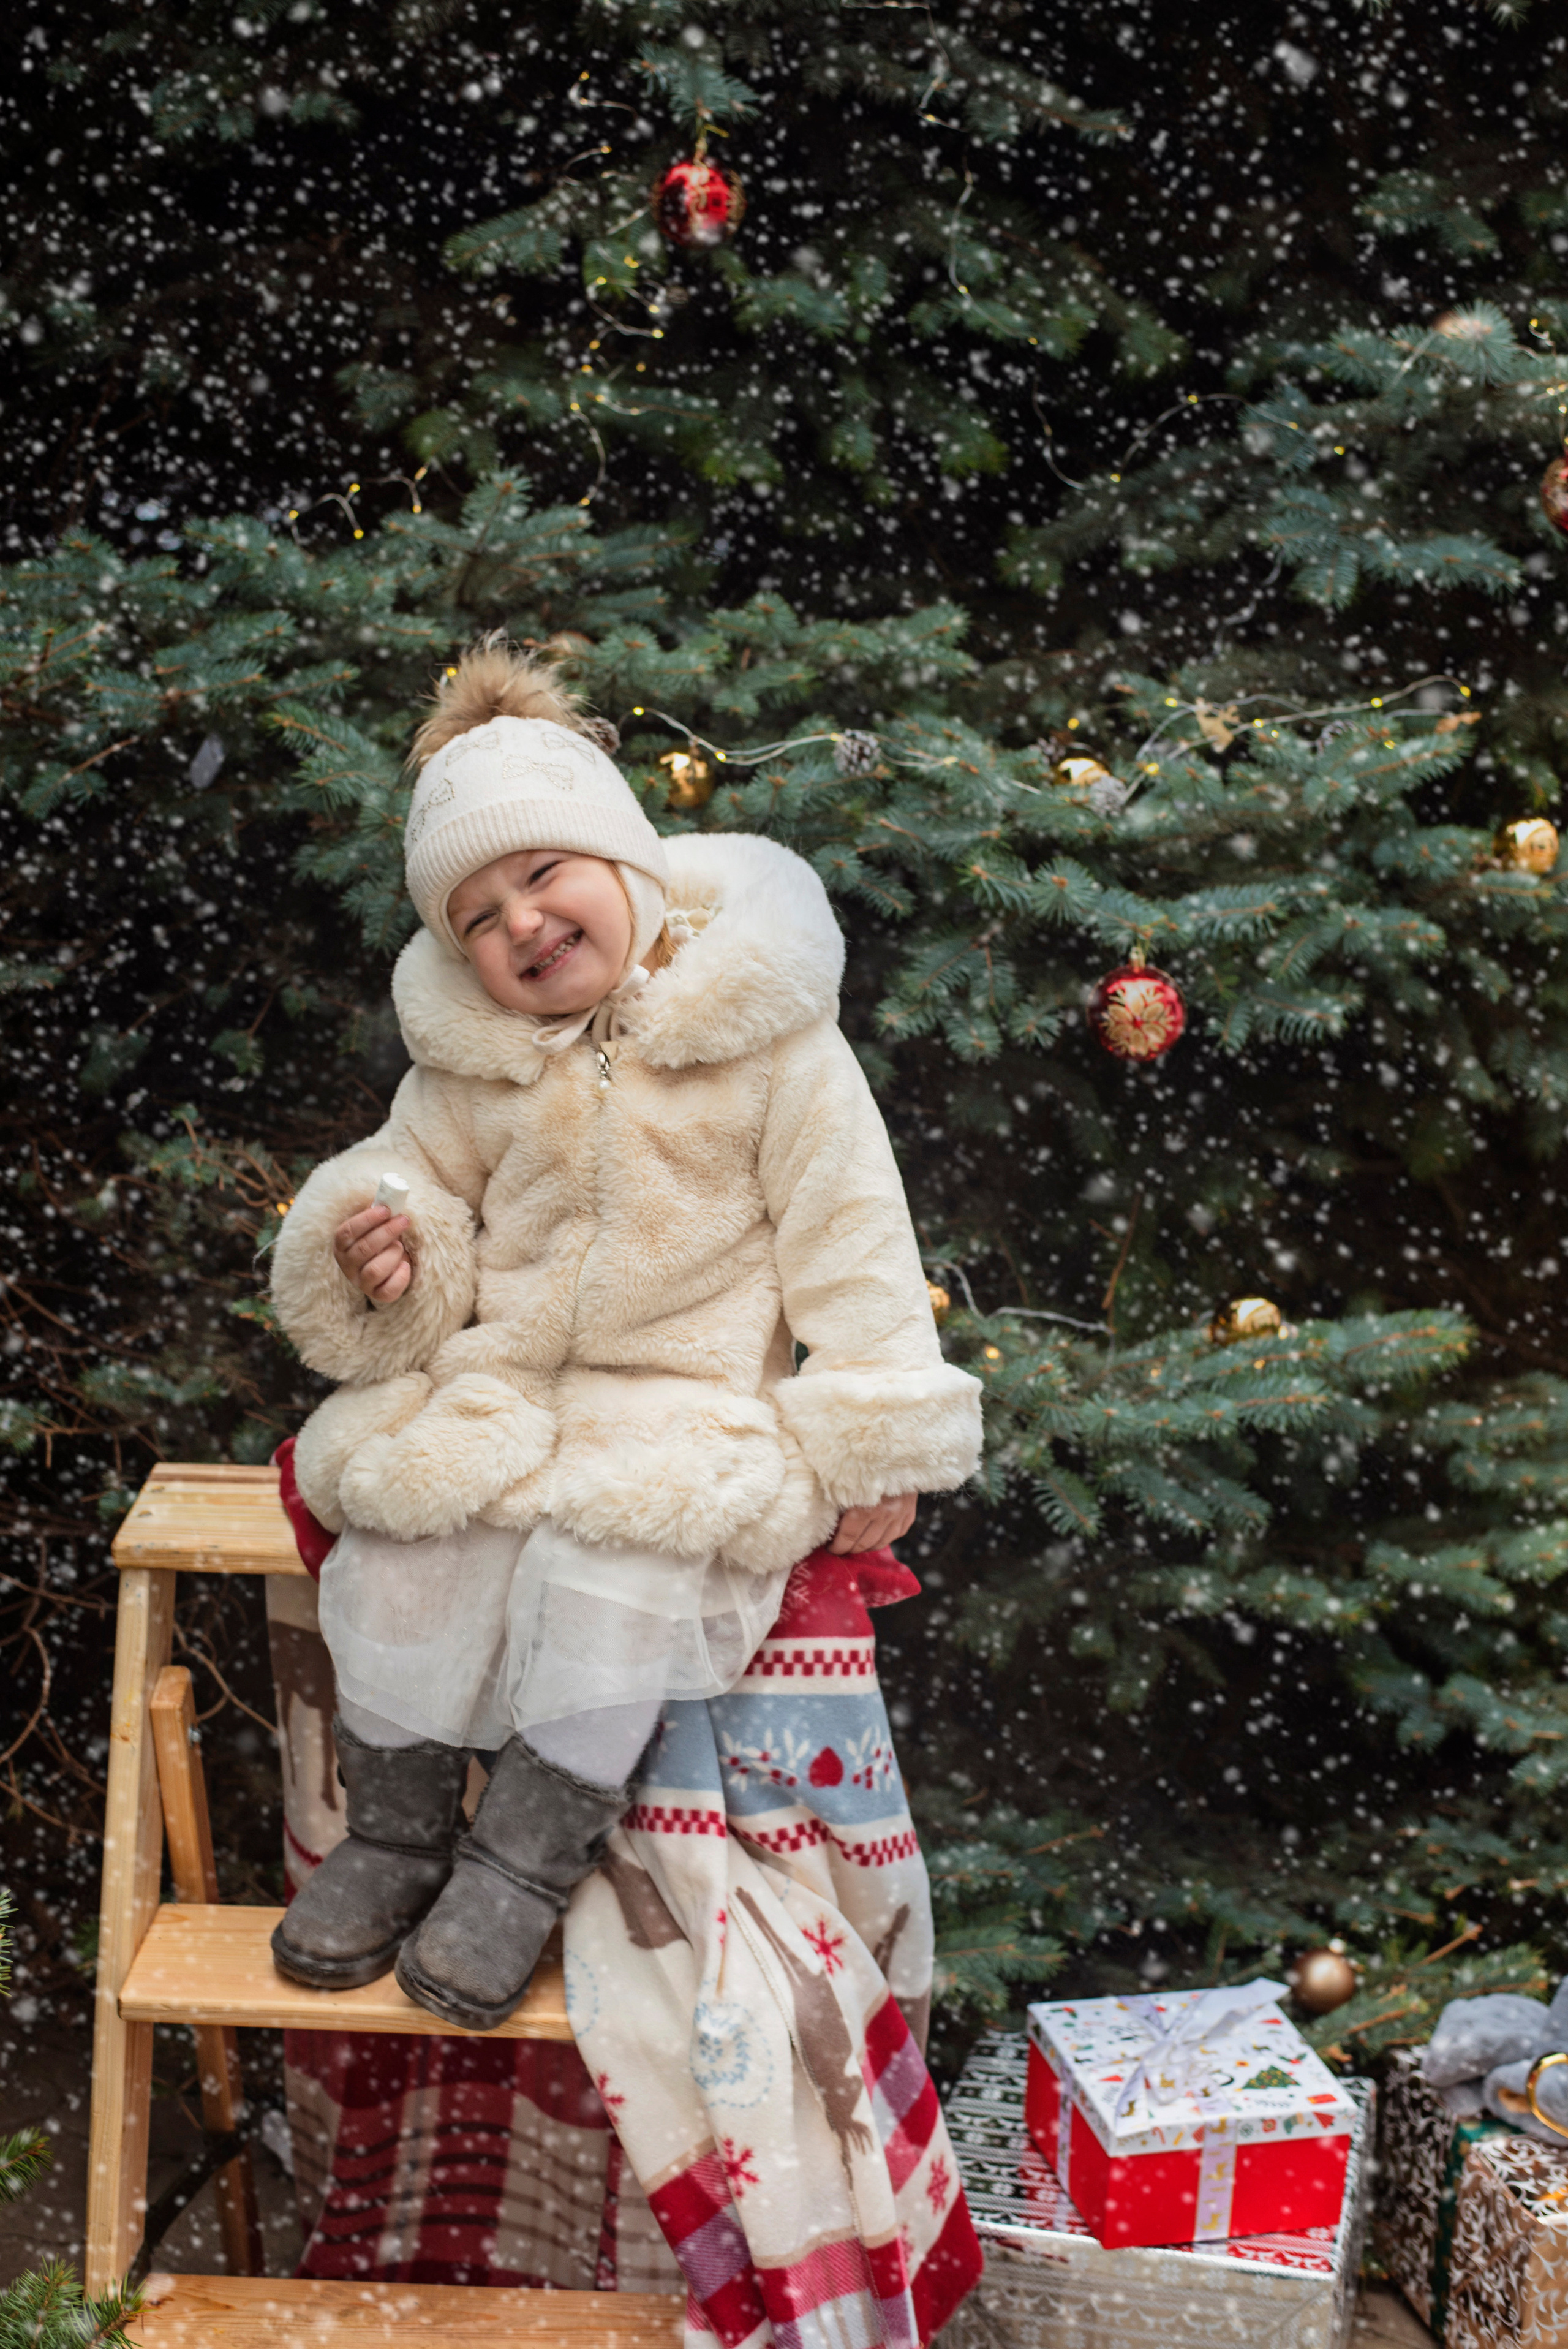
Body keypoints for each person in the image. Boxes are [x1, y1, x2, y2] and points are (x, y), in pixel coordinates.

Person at [268, 640, 983, 2032]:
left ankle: (517, 1864)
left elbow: (852, 1240)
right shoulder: (466, 1067)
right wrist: (382, 1247)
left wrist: (872, 1434)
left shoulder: (766, 1043)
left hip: (686, 1402)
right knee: (409, 1538)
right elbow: (416, 1200)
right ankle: (395, 1834)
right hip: (512, 1386)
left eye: (544, 875)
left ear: (629, 863)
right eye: (479, 914)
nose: (522, 924)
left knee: (618, 1563)